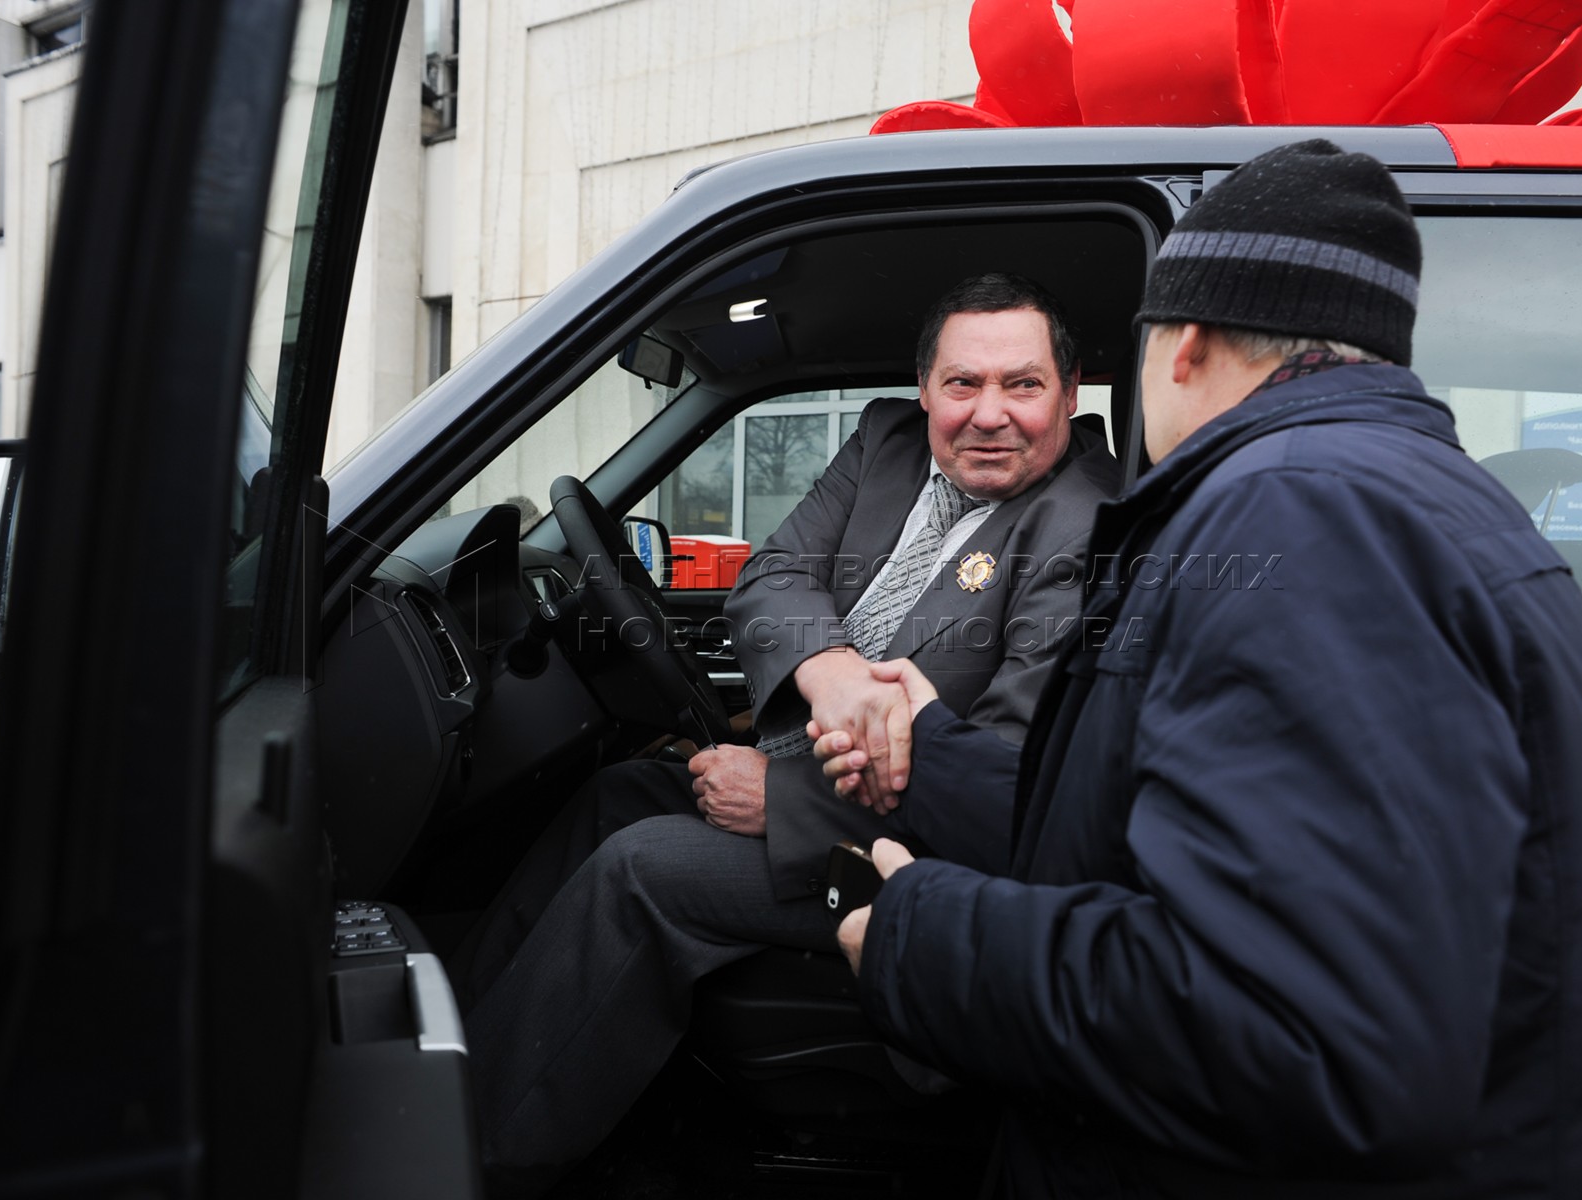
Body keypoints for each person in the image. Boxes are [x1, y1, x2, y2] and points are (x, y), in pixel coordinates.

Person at [822, 141, 1582, 1197]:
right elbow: (1169, 835)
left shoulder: (1310, 518)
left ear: (1182, 346)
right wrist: (936, 750)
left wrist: (923, 940)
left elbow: (1292, 1029)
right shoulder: (1402, 499)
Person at [455, 272, 1124, 1185]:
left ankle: (469, 1149)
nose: (989, 414)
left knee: (642, 868)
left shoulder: (1083, 525)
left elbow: (1006, 787)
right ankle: (455, 1038)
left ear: (1070, 392)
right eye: (963, 384)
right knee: (616, 794)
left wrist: (784, 798)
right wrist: (833, 672)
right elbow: (771, 578)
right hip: (823, 770)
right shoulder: (887, 442)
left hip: (917, 863)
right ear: (926, 388)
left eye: (1023, 384)